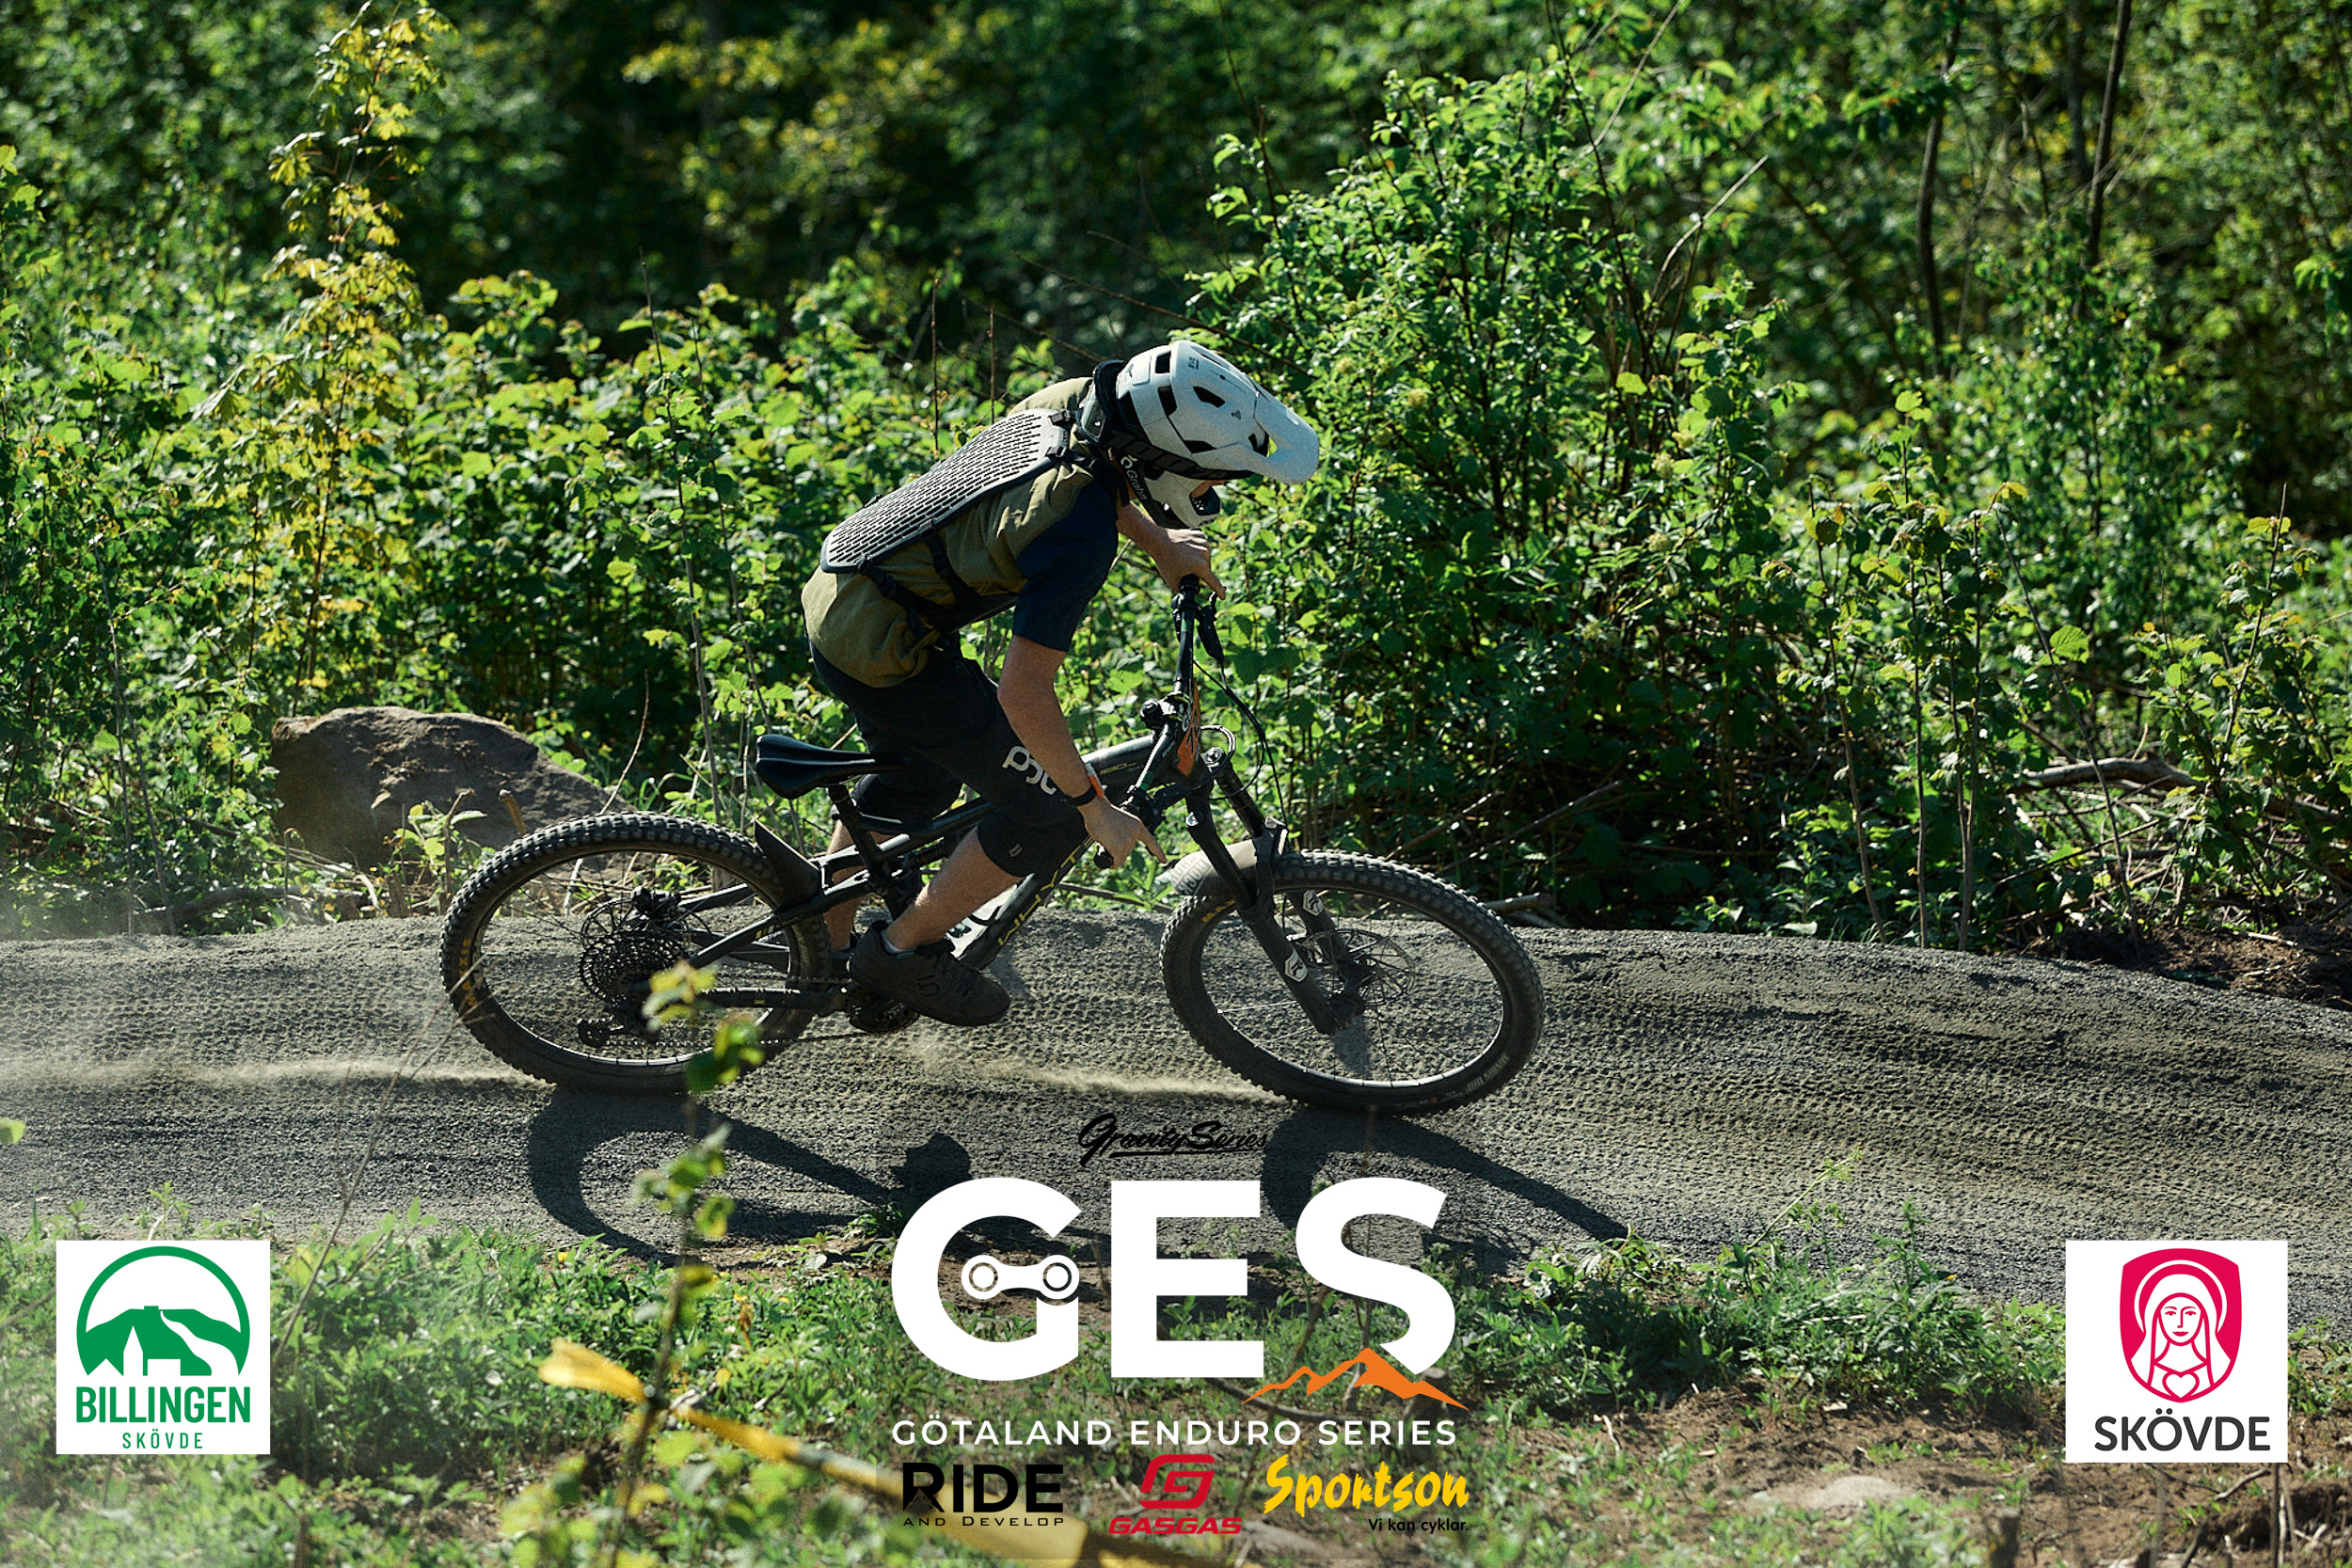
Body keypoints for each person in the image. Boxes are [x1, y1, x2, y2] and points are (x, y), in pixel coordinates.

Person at [800, 341, 1319, 1025]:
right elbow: (1024, 693)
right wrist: (1093, 807)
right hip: (880, 643)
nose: (1213, 494)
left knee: (916, 780)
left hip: (849, 582)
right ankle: (897, 953)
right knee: (1048, 813)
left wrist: (1159, 542)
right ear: (1160, 462)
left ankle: (820, 951)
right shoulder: (1078, 537)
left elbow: (1094, 472)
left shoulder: (1081, 400)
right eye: (1207, 479)